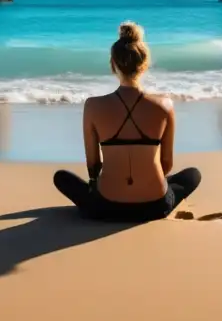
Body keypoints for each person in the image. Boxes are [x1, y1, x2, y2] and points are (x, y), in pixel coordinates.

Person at [53, 21, 201, 222]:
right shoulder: (165, 105)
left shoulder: (93, 106)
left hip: (105, 207)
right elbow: (166, 164)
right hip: (156, 205)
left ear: (113, 65)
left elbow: (93, 166)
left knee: (61, 177)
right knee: (192, 175)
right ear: (145, 63)